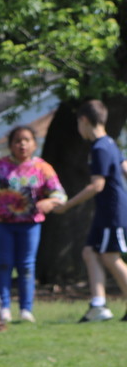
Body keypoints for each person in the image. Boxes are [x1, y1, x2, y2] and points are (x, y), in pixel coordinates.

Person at [0, 125, 67, 323]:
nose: (22, 144)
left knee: (27, 266)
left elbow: (60, 193)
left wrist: (50, 201)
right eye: (17, 140)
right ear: (10, 145)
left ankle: (26, 309)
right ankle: (3, 307)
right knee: (4, 264)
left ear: (34, 144)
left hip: (30, 224)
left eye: (26, 140)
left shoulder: (42, 168)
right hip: (3, 223)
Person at [52, 99, 127, 322]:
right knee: (90, 252)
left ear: (84, 120)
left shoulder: (100, 148)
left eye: (78, 123)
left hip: (112, 211)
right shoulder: (110, 143)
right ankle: (98, 306)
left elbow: (97, 185)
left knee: (110, 256)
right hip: (108, 211)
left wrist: (66, 205)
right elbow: (124, 166)